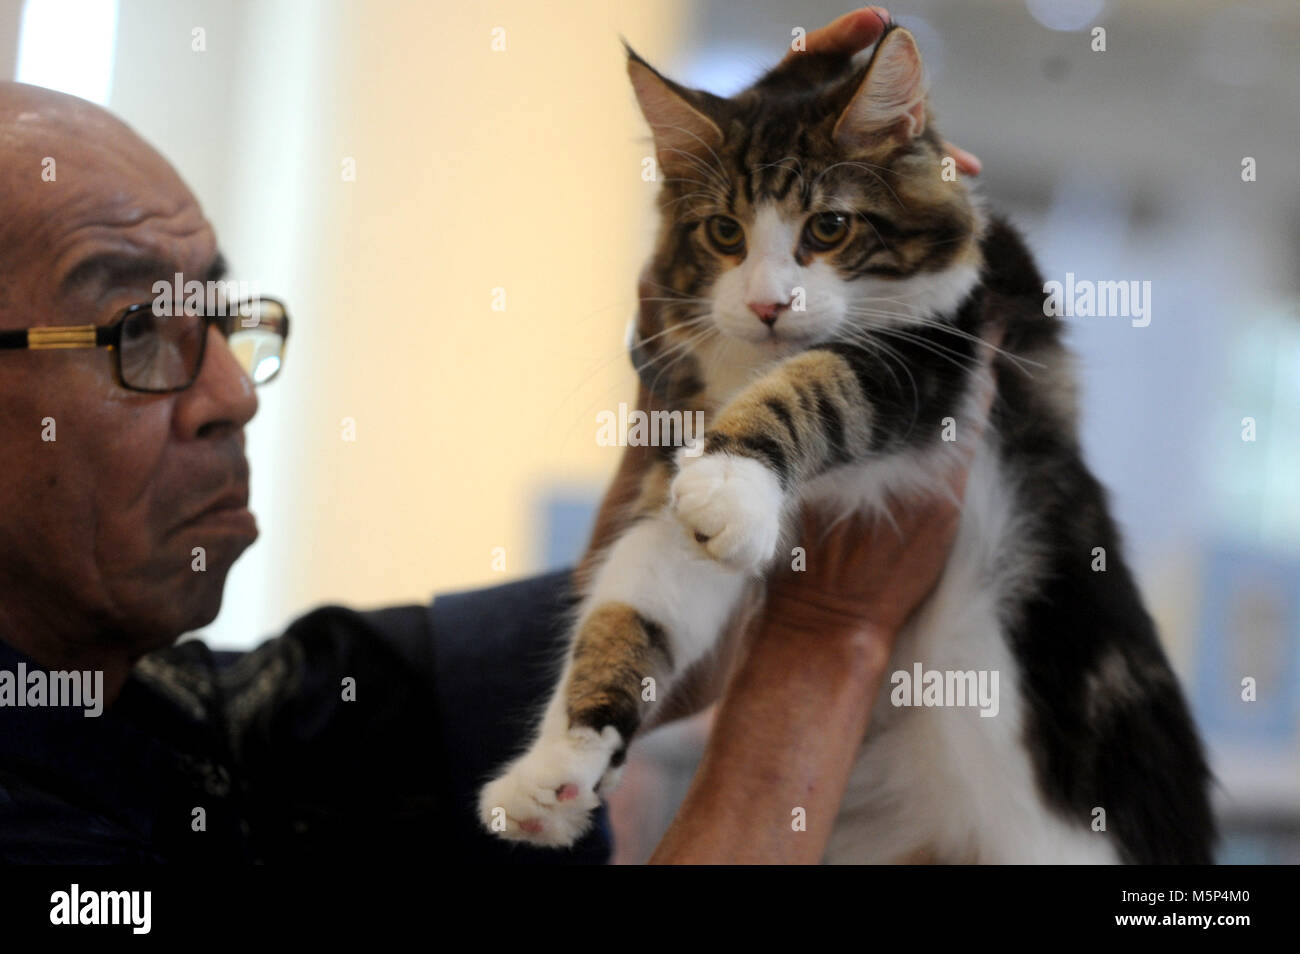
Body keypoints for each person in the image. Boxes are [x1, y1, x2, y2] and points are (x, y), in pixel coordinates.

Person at [0, 7, 984, 864]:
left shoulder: (167, 712)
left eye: (221, 318)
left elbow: (556, 682)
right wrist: (827, 638)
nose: (231, 392)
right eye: (136, 329)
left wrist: (723, 217)